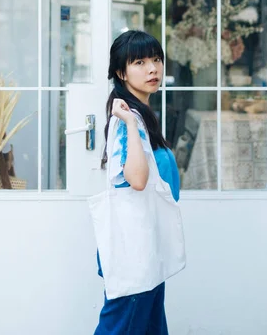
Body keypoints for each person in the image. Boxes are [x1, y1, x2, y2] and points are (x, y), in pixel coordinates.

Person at [94, 30, 180, 335]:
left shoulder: (143, 116)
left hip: (146, 244)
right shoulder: (127, 121)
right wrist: (129, 122)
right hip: (133, 248)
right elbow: (138, 179)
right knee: (121, 328)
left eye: (156, 59)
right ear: (121, 72)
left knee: (150, 328)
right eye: (140, 62)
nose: (153, 69)